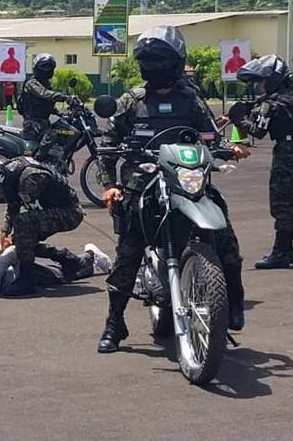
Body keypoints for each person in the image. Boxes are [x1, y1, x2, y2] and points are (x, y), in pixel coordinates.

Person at [96, 26, 250, 353]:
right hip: (144, 180)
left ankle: (233, 301)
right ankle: (114, 323)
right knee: (129, 249)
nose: (153, 66)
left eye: (159, 60)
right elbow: (107, 144)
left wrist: (229, 146)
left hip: (187, 177)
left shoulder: (190, 99)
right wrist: (110, 185)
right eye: (149, 61)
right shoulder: (131, 101)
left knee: (225, 234)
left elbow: (211, 135)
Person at [233, 55, 293, 269]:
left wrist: (238, 119)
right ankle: (287, 249)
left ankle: (280, 252)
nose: (260, 86)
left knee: (281, 203)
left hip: (286, 153)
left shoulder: (273, 104)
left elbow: (258, 131)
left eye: (262, 81)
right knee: (287, 201)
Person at [0, 156, 84, 297]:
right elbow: (13, 202)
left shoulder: (29, 179)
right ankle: (67, 259)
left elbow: (23, 211)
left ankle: (26, 280)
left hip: (70, 213)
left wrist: (17, 237)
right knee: (20, 238)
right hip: (54, 209)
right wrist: (6, 230)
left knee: (23, 228)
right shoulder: (10, 174)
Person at [0, 242, 112, 298]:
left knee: (60, 275)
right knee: (56, 273)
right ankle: (92, 262)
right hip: (6, 266)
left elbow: (13, 252)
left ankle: (91, 256)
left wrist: (3, 248)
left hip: (13, 270)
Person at [17, 53, 75, 160]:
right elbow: (44, 94)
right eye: (45, 67)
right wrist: (65, 98)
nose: (48, 70)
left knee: (63, 130)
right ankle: (37, 161)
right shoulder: (32, 83)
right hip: (32, 123)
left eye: (50, 68)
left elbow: (45, 104)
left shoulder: (46, 83)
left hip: (43, 122)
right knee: (54, 134)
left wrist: (60, 113)